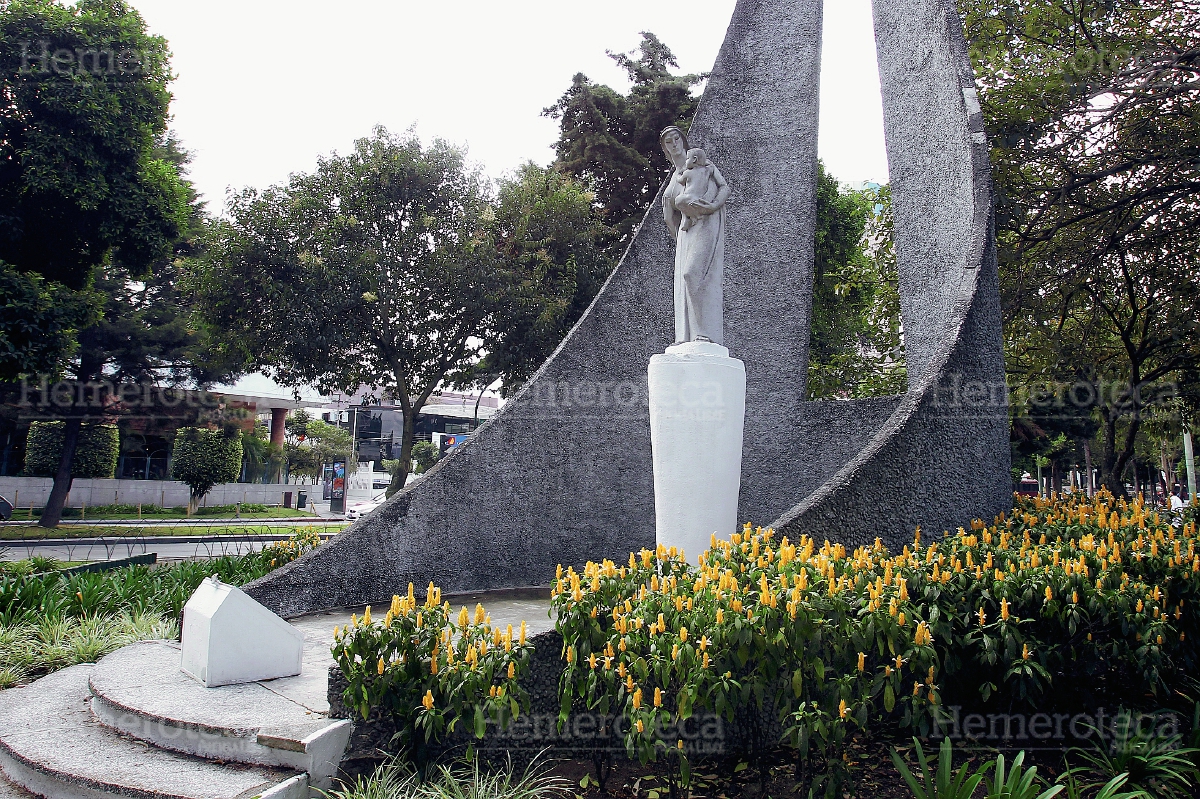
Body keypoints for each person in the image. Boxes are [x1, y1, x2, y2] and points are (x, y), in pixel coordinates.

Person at [660, 126, 730, 345]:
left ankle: (704, 333)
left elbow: (721, 190)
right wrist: (676, 229)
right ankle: (687, 336)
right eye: (668, 141)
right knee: (685, 280)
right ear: (665, 148)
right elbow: (669, 210)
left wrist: (710, 207)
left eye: (676, 138)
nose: (674, 144)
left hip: (706, 223)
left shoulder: (704, 165)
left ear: (683, 140)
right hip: (686, 232)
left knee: (692, 275)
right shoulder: (676, 176)